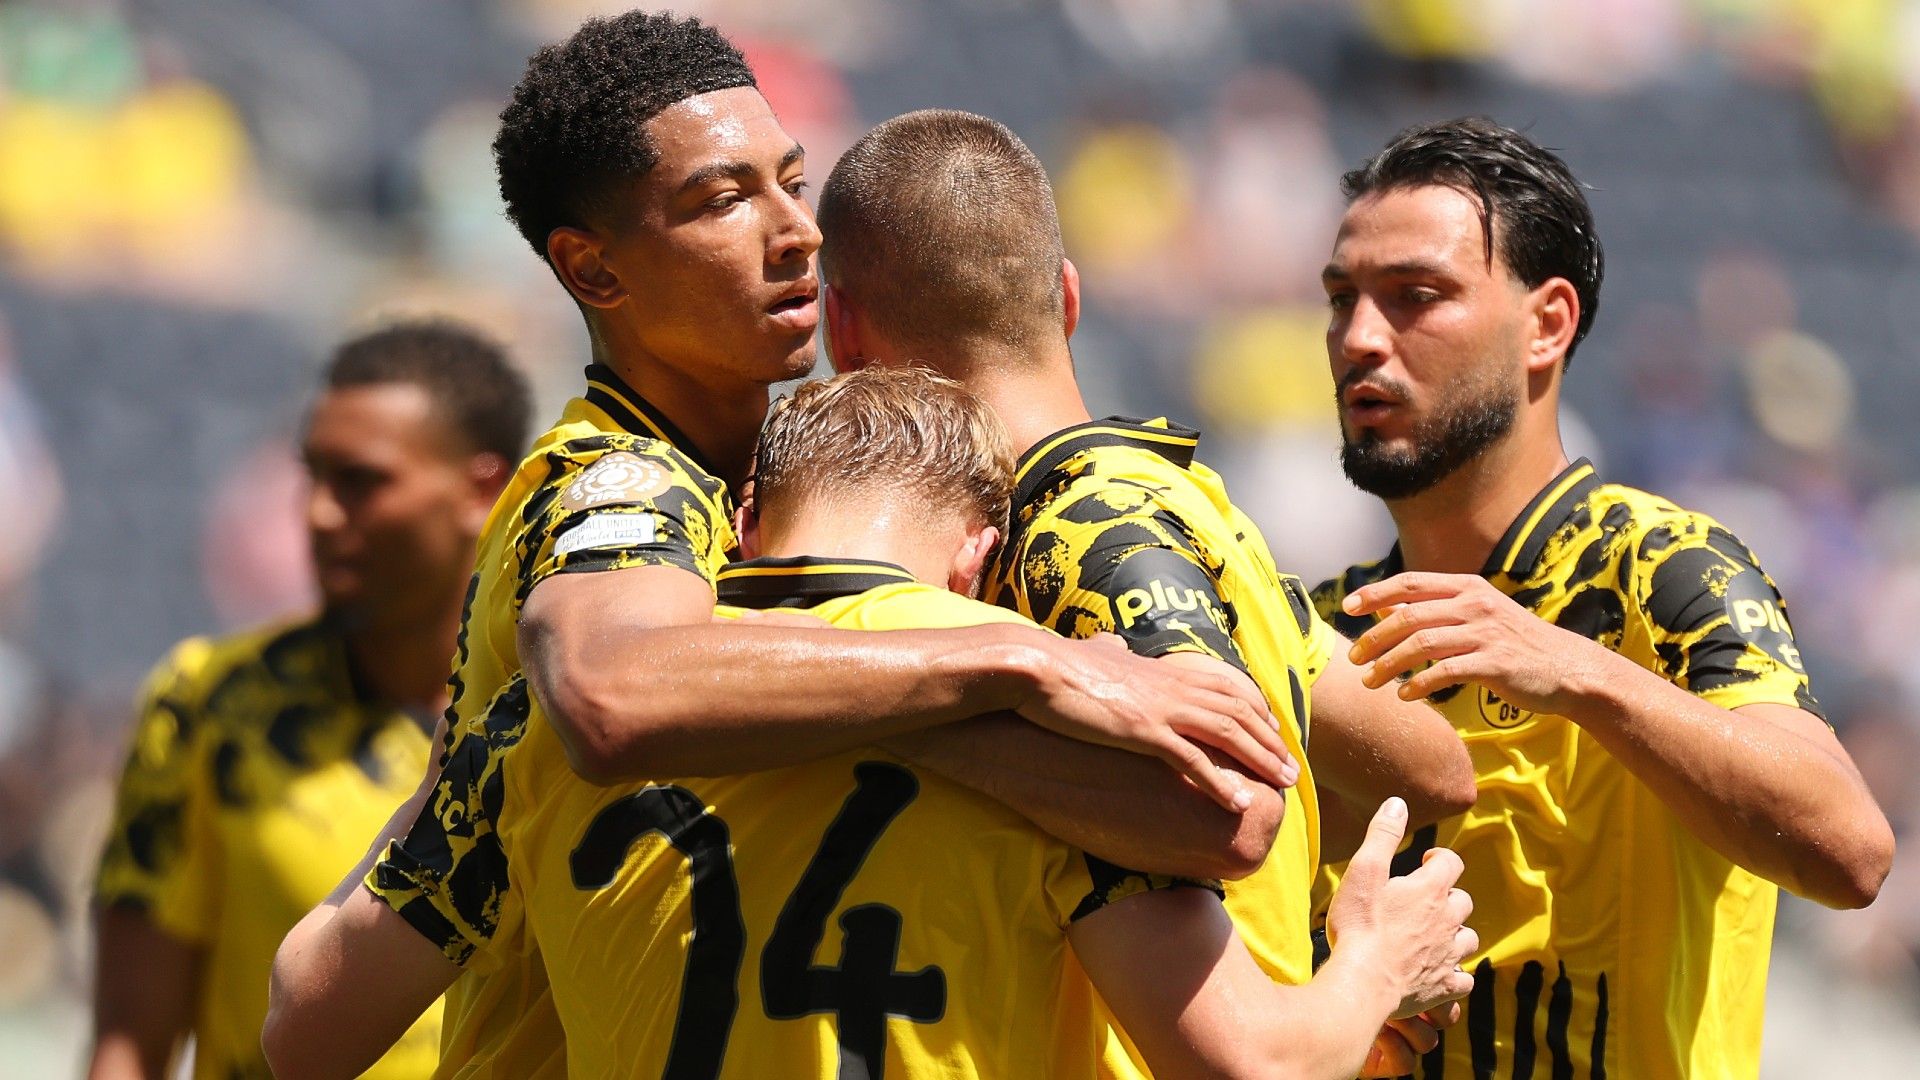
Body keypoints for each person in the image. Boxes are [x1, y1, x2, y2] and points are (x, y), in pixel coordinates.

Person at [264, 15, 1295, 1079]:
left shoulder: (786, 499)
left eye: (790, 182)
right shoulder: (622, 485)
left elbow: (1226, 816)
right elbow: (614, 691)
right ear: (594, 269)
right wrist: (1027, 661)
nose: (795, 230)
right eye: (721, 201)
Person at [505, 361, 1478, 1078]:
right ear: (979, 554)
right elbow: (1257, 1065)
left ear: (748, 519)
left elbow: (359, 984)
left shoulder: (550, 707)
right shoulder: (1073, 721)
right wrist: (1378, 964)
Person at [812, 108, 1477, 1072]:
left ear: (841, 329)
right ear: (1069, 299)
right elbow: (1430, 765)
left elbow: (1228, 808)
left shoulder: (1062, 538)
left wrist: (1362, 970)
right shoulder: (1193, 505)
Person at [1310, 117, 1897, 1077]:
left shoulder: (1665, 567)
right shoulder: (1328, 626)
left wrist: (1574, 669)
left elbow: (1849, 848)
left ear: (1547, 323)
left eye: (1416, 297)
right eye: (1343, 300)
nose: (1361, 339)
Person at [88, 321, 531, 1080]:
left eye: (361, 481)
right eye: (313, 476)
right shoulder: (209, 702)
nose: (318, 513)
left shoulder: (563, 712)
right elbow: (131, 1039)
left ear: (481, 487)